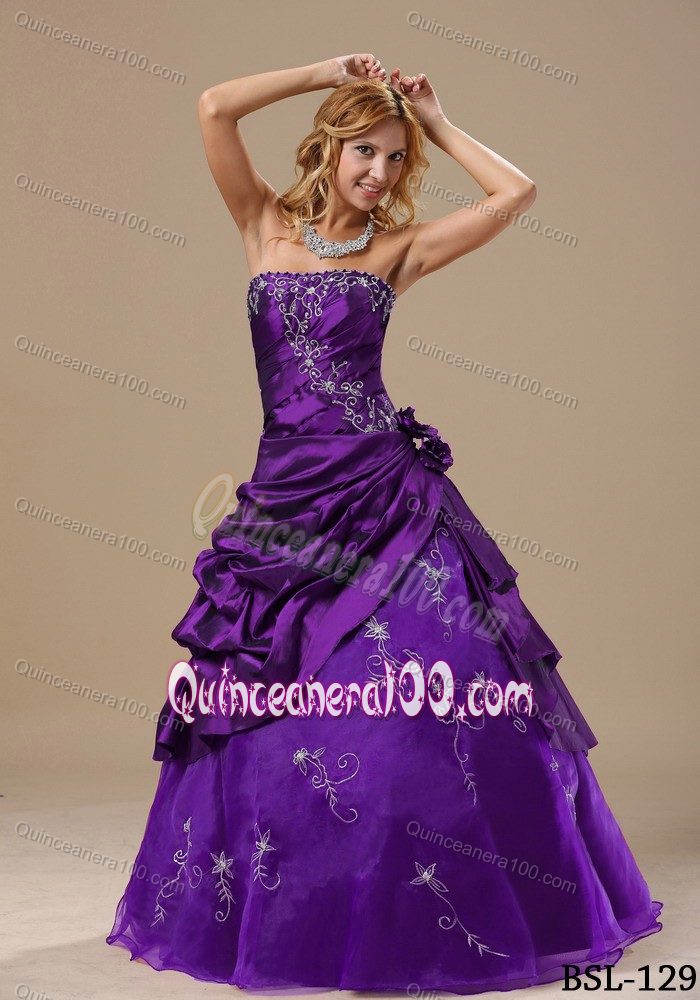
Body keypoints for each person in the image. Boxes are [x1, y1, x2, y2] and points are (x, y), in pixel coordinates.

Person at [105, 53, 662, 993]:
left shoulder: (397, 253)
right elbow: (214, 106)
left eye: (397, 159)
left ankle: (437, 913)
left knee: (429, 706)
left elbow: (517, 193)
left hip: (387, 498)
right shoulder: (263, 226)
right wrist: (327, 69)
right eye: (365, 150)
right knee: (269, 706)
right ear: (328, 148)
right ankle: (300, 912)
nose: (381, 171)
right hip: (286, 507)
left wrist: (436, 121)